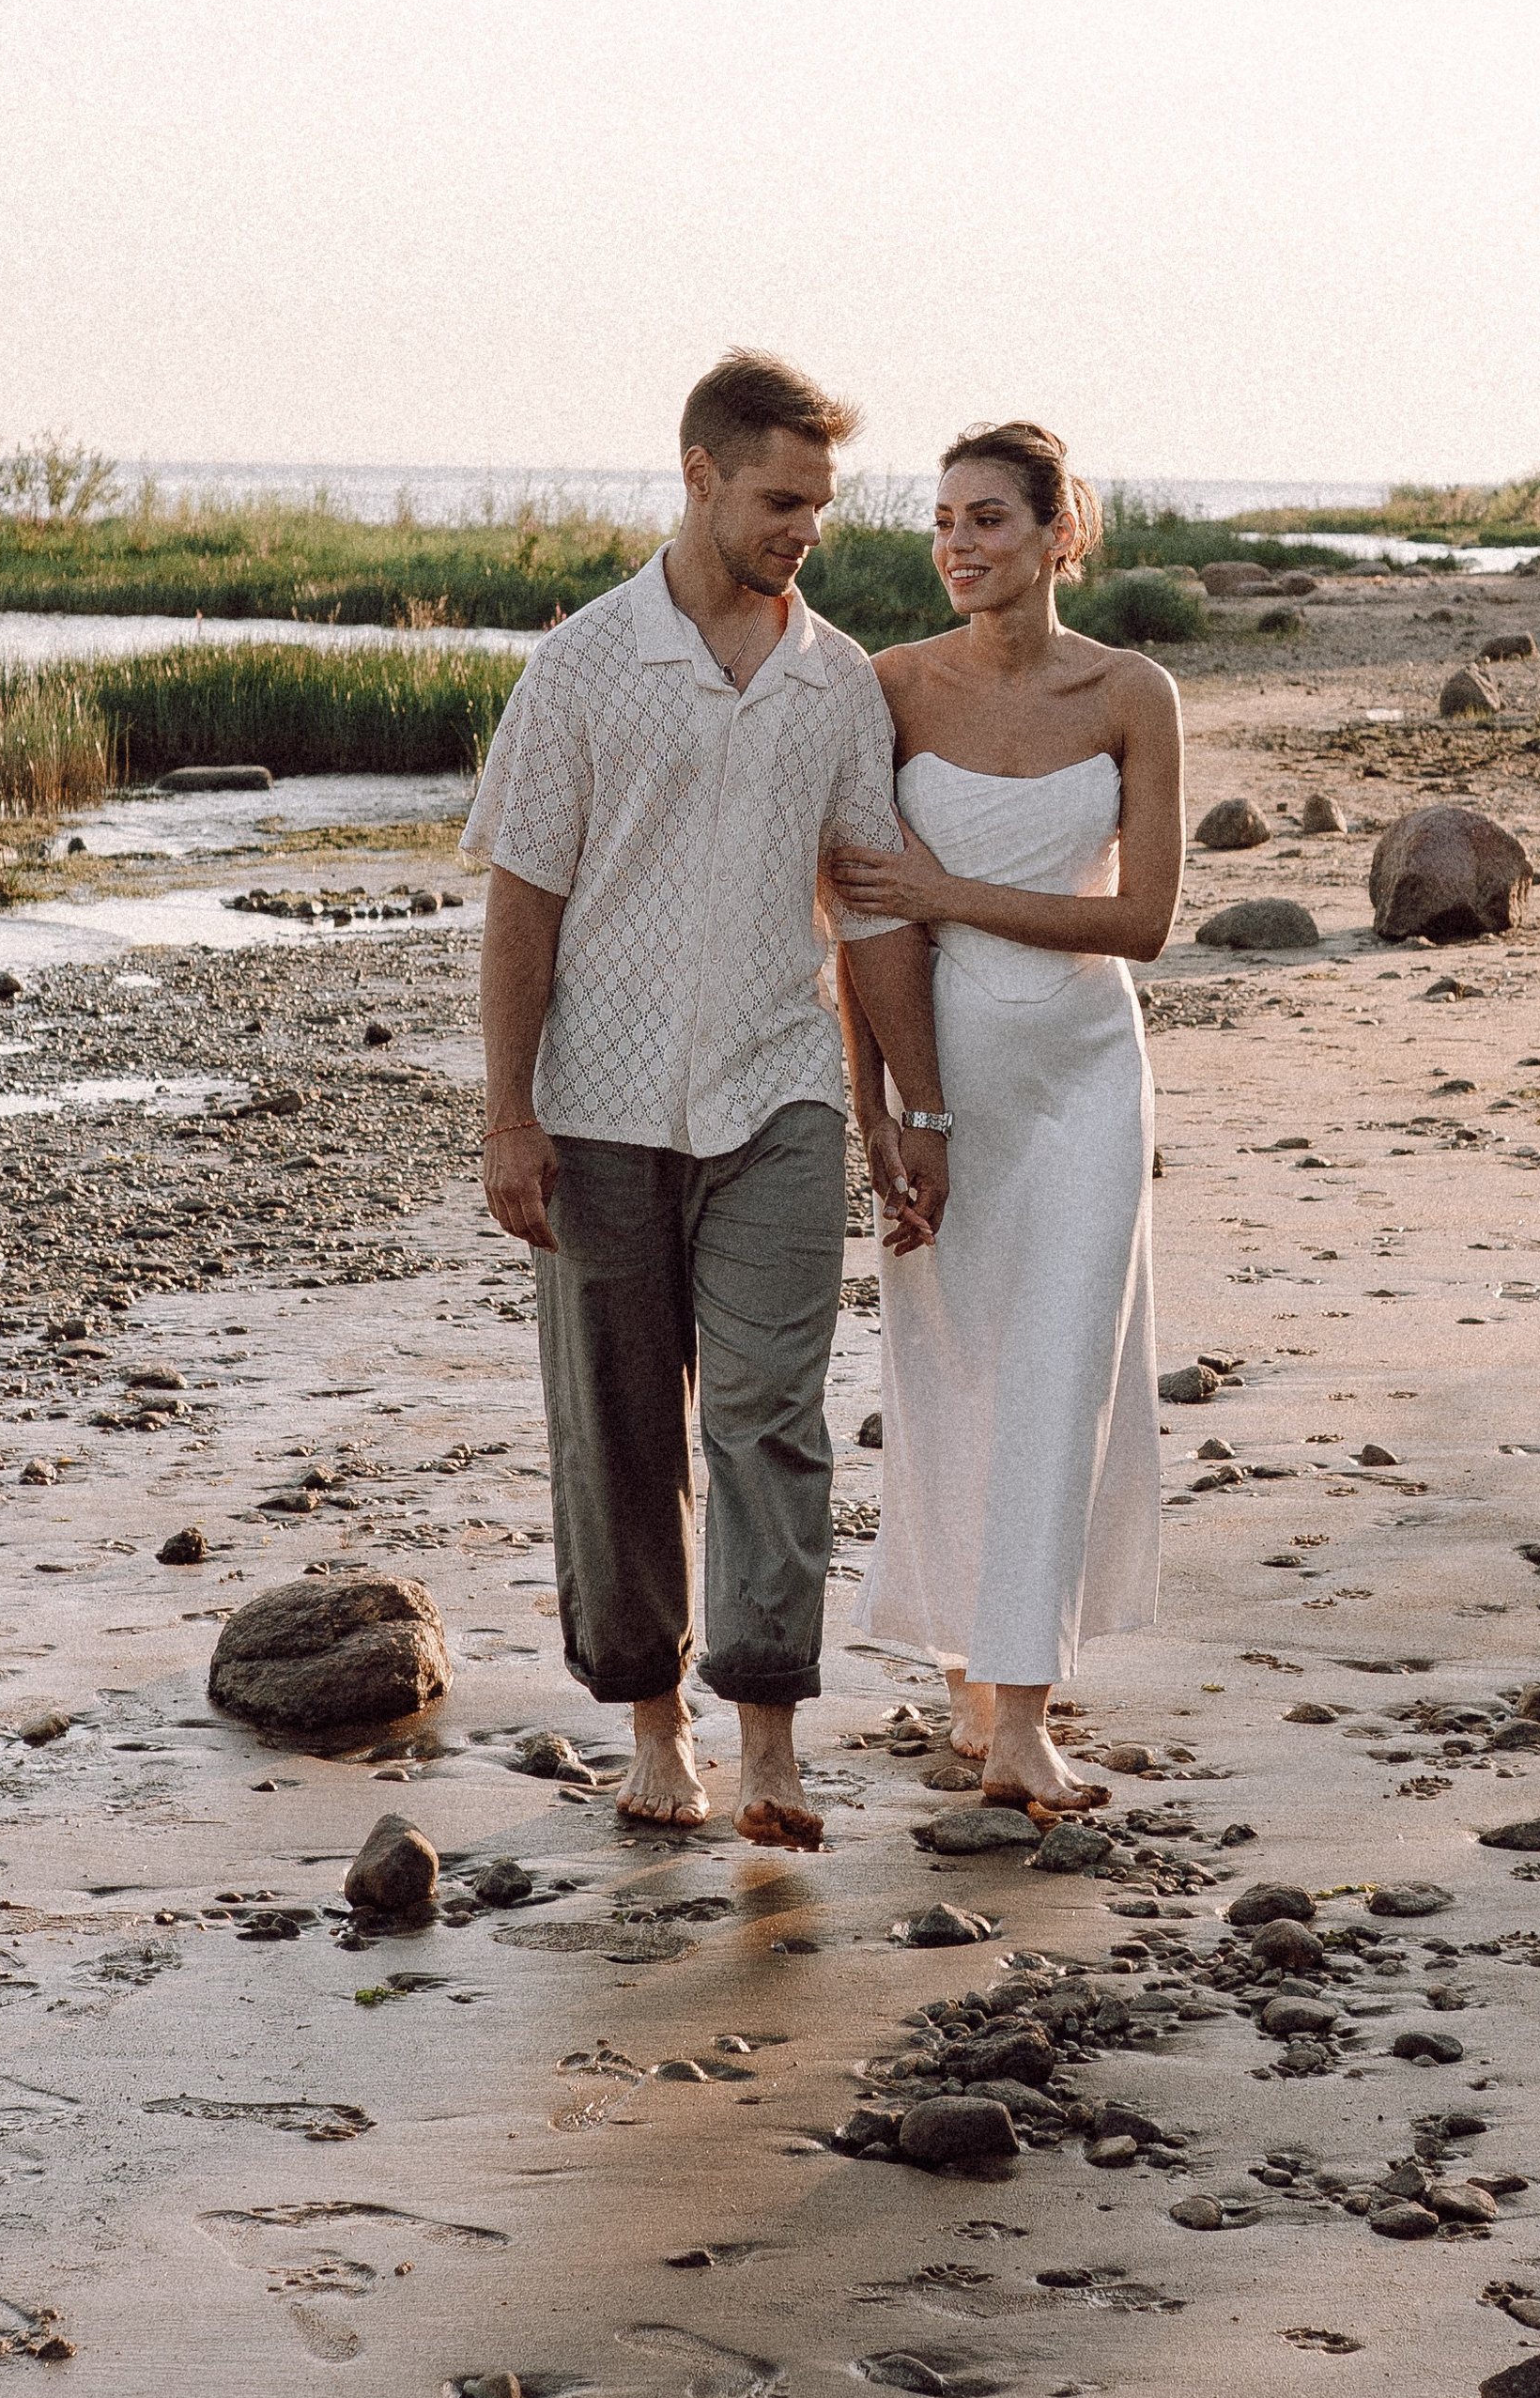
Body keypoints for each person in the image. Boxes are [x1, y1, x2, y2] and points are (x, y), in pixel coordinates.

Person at [469, 350, 951, 1848]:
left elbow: (871, 910)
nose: (806, 527)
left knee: (770, 1417)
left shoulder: (836, 682)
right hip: (599, 1105)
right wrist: (507, 1114)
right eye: (779, 499)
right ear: (698, 476)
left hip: (780, 1098)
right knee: (614, 1429)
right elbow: (522, 906)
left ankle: (771, 1738)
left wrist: (908, 1110)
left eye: (819, 504)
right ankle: (652, 1725)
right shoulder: (583, 669)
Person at [829, 421, 1182, 1815]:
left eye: (988, 520)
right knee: (954, 1367)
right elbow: (860, 912)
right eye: (943, 522)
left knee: (1064, 1372)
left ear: (1058, 537)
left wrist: (949, 891)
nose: (959, 547)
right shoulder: (890, 687)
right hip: (946, 1075)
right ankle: (973, 1671)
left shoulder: (1130, 693)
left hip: (1089, 1066)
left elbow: (1143, 920)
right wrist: (884, 1110)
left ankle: (1027, 1712)